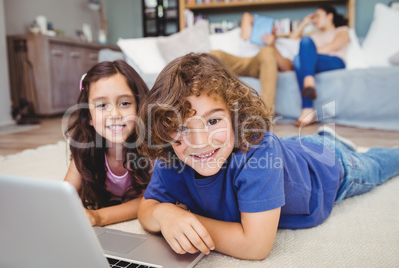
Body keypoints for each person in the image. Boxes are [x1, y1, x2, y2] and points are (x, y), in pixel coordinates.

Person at [136, 53, 399, 260]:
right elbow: (147, 207)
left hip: (329, 168)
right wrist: (165, 215)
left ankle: (333, 142)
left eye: (213, 120)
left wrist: (187, 219)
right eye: (181, 128)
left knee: (378, 166)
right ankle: (326, 138)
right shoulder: (171, 156)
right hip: (293, 150)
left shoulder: (259, 150)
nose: (200, 142)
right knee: (295, 147)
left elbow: (255, 246)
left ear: (236, 116)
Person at [64, 60, 152, 227]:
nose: (115, 114)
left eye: (124, 103)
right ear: (89, 117)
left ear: (139, 108)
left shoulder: (151, 149)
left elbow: (151, 200)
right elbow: (65, 194)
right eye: (102, 105)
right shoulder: (85, 148)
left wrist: (98, 217)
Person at [210, 12, 294, 113]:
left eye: (274, 29)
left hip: (257, 64)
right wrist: (263, 26)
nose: (272, 30)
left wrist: (272, 46)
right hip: (237, 62)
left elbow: (287, 68)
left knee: (267, 51)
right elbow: (246, 16)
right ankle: (216, 110)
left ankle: (267, 114)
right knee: (215, 54)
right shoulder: (248, 35)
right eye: (271, 27)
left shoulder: (278, 45)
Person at [290, 5, 351, 126]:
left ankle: (307, 107)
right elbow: (292, 38)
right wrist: (305, 22)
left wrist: (309, 54)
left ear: (330, 16)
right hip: (313, 62)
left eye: (317, 16)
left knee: (300, 58)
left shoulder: (341, 30)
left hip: (334, 61)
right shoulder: (313, 36)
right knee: (300, 54)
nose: (315, 19)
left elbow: (335, 45)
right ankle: (309, 93)